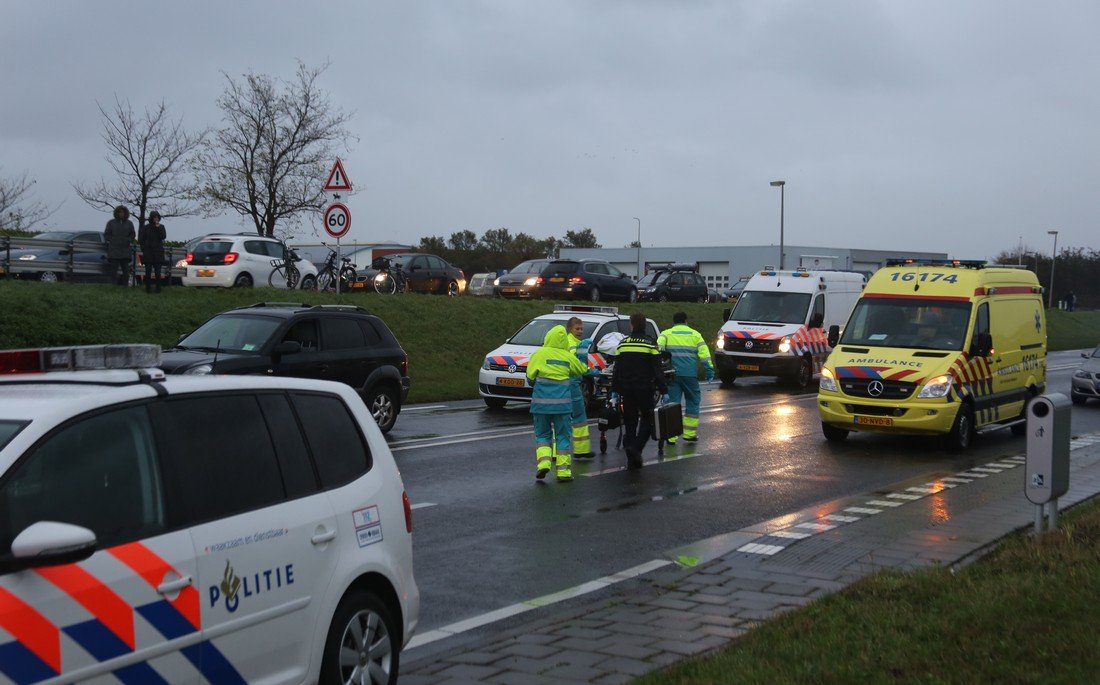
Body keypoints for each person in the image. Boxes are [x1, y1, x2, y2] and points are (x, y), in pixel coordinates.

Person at [526, 325, 589, 482]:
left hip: (540, 405)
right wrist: (582, 353)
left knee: (542, 435)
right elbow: (581, 370)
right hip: (563, 406)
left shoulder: (538, 354)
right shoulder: (567, 356)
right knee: (562, 437)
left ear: (548, 337)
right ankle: (563, 473)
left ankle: (544, 464)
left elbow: (530, 378)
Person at [612, 312, 668, 469]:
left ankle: (632, 458)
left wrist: (614, 389)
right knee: (648, 420)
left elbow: (617, 369)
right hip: (644, 389)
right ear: (644, 325)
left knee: (630, 421)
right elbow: (657, 370)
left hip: (626, 389)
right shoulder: (650, 344)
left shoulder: (623, 344)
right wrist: (664, 390)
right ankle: (636, 448)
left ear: (631, 325)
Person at [659, 312, 715, 443]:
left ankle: (671, 437)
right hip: (690, 376)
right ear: (685, 321)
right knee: (693, 402)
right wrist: (709, 370)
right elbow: (705, 355)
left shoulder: (666, 334)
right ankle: (689, 434)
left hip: (672, 375)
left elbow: (659, 350)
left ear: (674, 321)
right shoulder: (695, 335)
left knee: (672, 404)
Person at [565, 317, 598, 459]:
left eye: (581, 329)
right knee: (579, 416)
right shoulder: (573, 345)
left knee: (562, 418)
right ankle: (581, 450)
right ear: (569, 329)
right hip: (572, 383)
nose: (580, 331)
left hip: (563, 384)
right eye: (577, 329)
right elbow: (576, 365)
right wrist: (593, 371)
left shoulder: (569, 342)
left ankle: (555, 453)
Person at [104, 205, 136, 286]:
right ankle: (113, 286)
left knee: (126, 272)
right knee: (113, 271)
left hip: (125, 251)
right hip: (114, 251)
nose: (121, 213)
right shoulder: (111, 223)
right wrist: (113, 240)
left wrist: (128, 240)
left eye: (123, 212)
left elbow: (133, 234)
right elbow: (106, 235)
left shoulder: (129, 223)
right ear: (117, 213)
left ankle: (125, 287)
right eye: (120, 212)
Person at [138, 211, 167, 293]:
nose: (156, 219)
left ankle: (158, 289)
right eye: (154, 217)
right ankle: (148, 289)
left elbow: (163, 236)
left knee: (158, 273)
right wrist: (143, 249)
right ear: (151, 218)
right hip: (148, 253)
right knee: (148, 272)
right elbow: (141, 239)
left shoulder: (161, 227)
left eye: (157, 217)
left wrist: (158, 228)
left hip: (158, 253)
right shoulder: (146, 227)